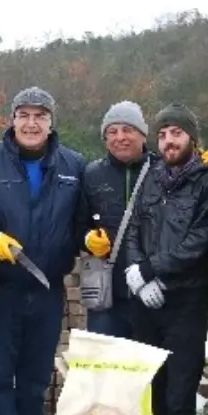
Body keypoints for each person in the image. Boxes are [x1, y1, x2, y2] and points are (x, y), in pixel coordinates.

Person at [0, 86, 87, 415]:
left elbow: (83, 221)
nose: (31, 123)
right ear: (12, 119)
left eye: (40, 116)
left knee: (35, 379)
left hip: (48, 289)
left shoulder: (74, 166)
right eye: (24, 115)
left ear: (51, 123)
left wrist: (91, 238)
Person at [124, 104, 208, 415]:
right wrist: (137, 274)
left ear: (192, 139)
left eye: (177, 134)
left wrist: (155, 271)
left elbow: (201, 239)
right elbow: (134, 227)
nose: (169, 141)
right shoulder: (150, 176)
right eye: (163, 134)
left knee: (179, 397)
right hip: (146, 303)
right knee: (150, 393)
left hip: (185, 300)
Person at [81, 101, 154, 339]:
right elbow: (76, 224)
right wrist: (86, 239)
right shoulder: (92, 174)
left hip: (152, 291)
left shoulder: (163, 170)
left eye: (128, 130)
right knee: (106, 372)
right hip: (107, 297)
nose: (120, 137)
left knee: (151, 373)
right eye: (112, 132)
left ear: (143, 134)